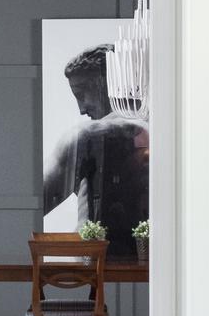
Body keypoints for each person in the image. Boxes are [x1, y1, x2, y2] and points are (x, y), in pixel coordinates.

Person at [41, 45, 148, 259]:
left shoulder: (87, 136)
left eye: (81, 94)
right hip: (152, 266)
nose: (81, 109)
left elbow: (32, 202)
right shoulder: (169, 131)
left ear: (103, 84)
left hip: (92, 269)